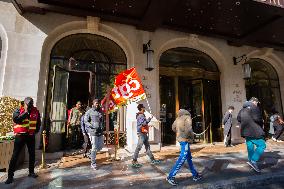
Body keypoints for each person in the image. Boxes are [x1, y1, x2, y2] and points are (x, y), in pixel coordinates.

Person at [5, 97, 41, 184]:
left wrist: (35, 131)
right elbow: (16, 119)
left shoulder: (35, 110)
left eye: (31, 104)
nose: (30, 106)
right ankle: (10, 176)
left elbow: (38, 122)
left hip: (31, 136)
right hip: (20, 136)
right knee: (15, 155)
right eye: (29, 104)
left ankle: (31, 172)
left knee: (32, 154)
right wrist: (26, 113)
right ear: (24, 103)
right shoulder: (18, 109)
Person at [166, 108, 202, 186]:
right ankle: (170, 176)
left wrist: (179, 132)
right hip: (185, 140)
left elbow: (173, 128)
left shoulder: (178, 118)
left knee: (188, 158)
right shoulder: (187, 117)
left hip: (180, 139)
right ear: (187, 112)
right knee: (182, 158)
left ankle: (195, 174)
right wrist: (192, 138)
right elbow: (189, 129)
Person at [237, 97, 266, 173]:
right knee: (262, 145)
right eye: (256, 102)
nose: (257, 104)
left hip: (245, 131)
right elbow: (258, 119)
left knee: (250, 147)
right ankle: (253, 161)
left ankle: (251, 162)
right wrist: (261, 123)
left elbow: (238, 118)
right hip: (254, 131)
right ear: (253, 101)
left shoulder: (242, 109)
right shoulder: (254, 107)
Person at [84, 99, 104, 170]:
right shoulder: (89, 111)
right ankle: (93, 164)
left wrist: (102, 127)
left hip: (100, 132)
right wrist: (92, 125)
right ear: (93, 104)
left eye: (98, 103)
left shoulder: (101, 111)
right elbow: (85, 121)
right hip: (93, 132)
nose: (97, 104)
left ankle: (90, 153)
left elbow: (102, 121)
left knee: (100, 147)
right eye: (96, 103)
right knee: (95, 147)